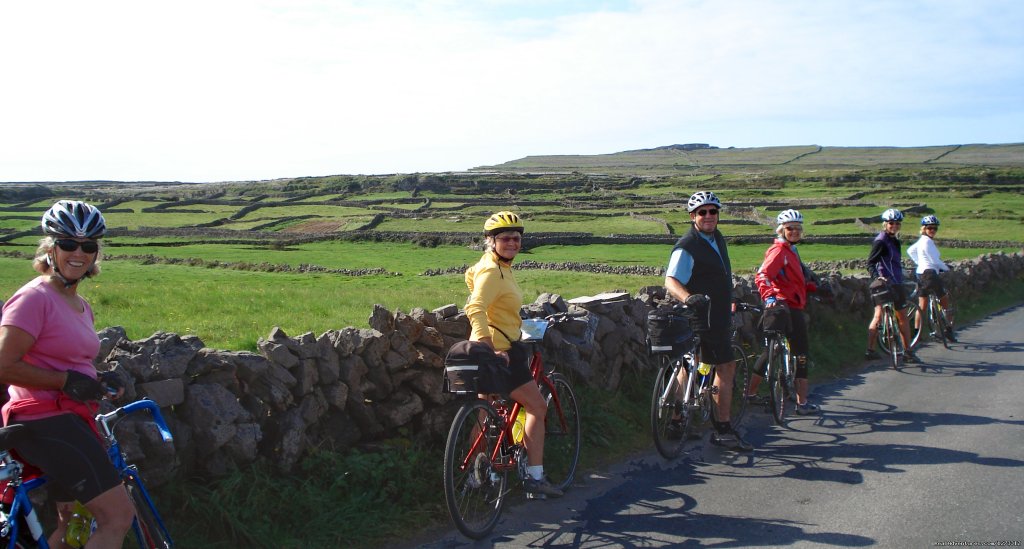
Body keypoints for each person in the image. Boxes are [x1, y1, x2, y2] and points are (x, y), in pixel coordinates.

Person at [0, 200, 134, 548]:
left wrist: (99, 379)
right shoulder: (34, 298)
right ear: (50, 248)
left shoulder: (79, 304)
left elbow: (68, 360)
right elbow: (3, 364)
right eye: (69, 244)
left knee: (72, 521)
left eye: (89, 246)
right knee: (117, 517)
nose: (79, 253)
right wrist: (65, 383)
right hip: (43, 418)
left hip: (68, 416)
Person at [464, 211, 563, 499]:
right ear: (490, 241)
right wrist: (490, 346)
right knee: (537, 407)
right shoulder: (493, 271)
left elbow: (472, 281)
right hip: (500, 352)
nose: (512, 243)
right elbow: (475, 307)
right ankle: (535, 476)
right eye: (505, 238)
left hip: (485, 350)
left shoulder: (492, 267)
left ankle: (475, 474)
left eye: (516, 238)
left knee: (484, 414)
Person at [663, 191, 752, 451]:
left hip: (717, 315)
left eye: (713, 211)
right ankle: (723, 428)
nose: (709, 216)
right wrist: (689, 298)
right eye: (702, 212)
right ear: (693, 216)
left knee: (691, 367)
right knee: (725, 368)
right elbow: (671, 280)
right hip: (705, 319)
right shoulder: (688, 245)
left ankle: (677, 421)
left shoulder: (716, 238)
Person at [746, 209, 821, 415]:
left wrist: (809, 287)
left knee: (772, 350)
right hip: (786, 307)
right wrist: (770, 296)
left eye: (798, 228)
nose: (794, 231)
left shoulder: (790, 250)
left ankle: (750, 394)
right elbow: (762, 276)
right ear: (781, 230)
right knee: (801, 353)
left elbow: (789, 280)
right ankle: (802, 403)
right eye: (790, 228)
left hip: (788, 305)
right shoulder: (779, 251)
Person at [864, 208, 921, 363]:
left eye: (897, 223)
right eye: (891, 223)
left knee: (900, 316)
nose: (894, 226)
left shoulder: (895, 240)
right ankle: (872, 350)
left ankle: (906, 351)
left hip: (896, 282)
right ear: (885, 224)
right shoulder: (880, 241)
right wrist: (878, 277)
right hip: (886, 284)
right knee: (884, 316)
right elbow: (870, 263)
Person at [907, 214, 955, 341]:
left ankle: (916, 333)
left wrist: (919, 262)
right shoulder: (928, 242)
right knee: (944, 299)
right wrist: (946, 268)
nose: (932, 230)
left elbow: (910, 251)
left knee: (922, 304)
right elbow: (935, 260)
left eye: (935, 228)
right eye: (929, 228)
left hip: (920, 273)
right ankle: (948, 328)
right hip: (930, 274)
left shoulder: (921, 241)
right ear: (924, 228)